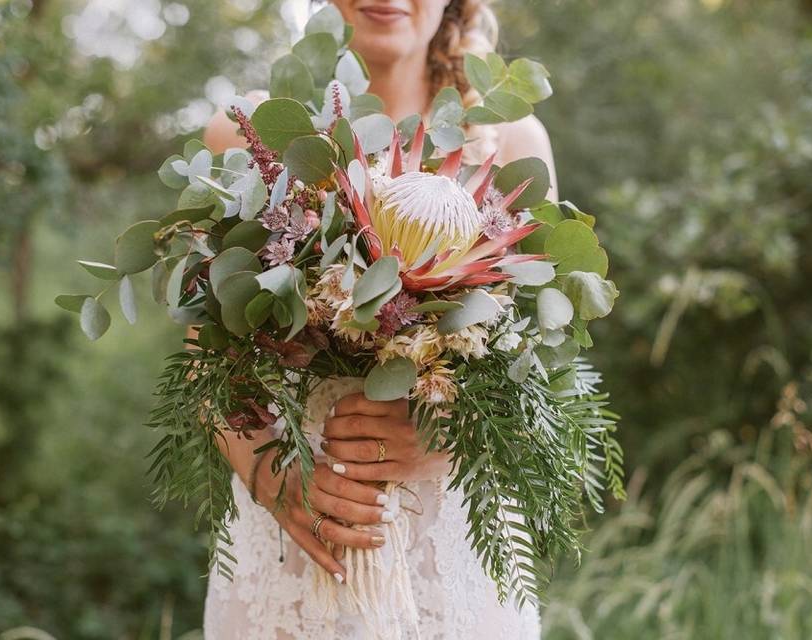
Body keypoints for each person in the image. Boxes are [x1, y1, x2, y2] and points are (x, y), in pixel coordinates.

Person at [201, 1, 557, 637]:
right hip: (289, 550)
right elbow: (205, 356)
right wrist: (272, 478)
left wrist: (448, 433)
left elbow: (541, 370)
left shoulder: (514, 145)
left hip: (453, 549)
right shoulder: (247, 132)